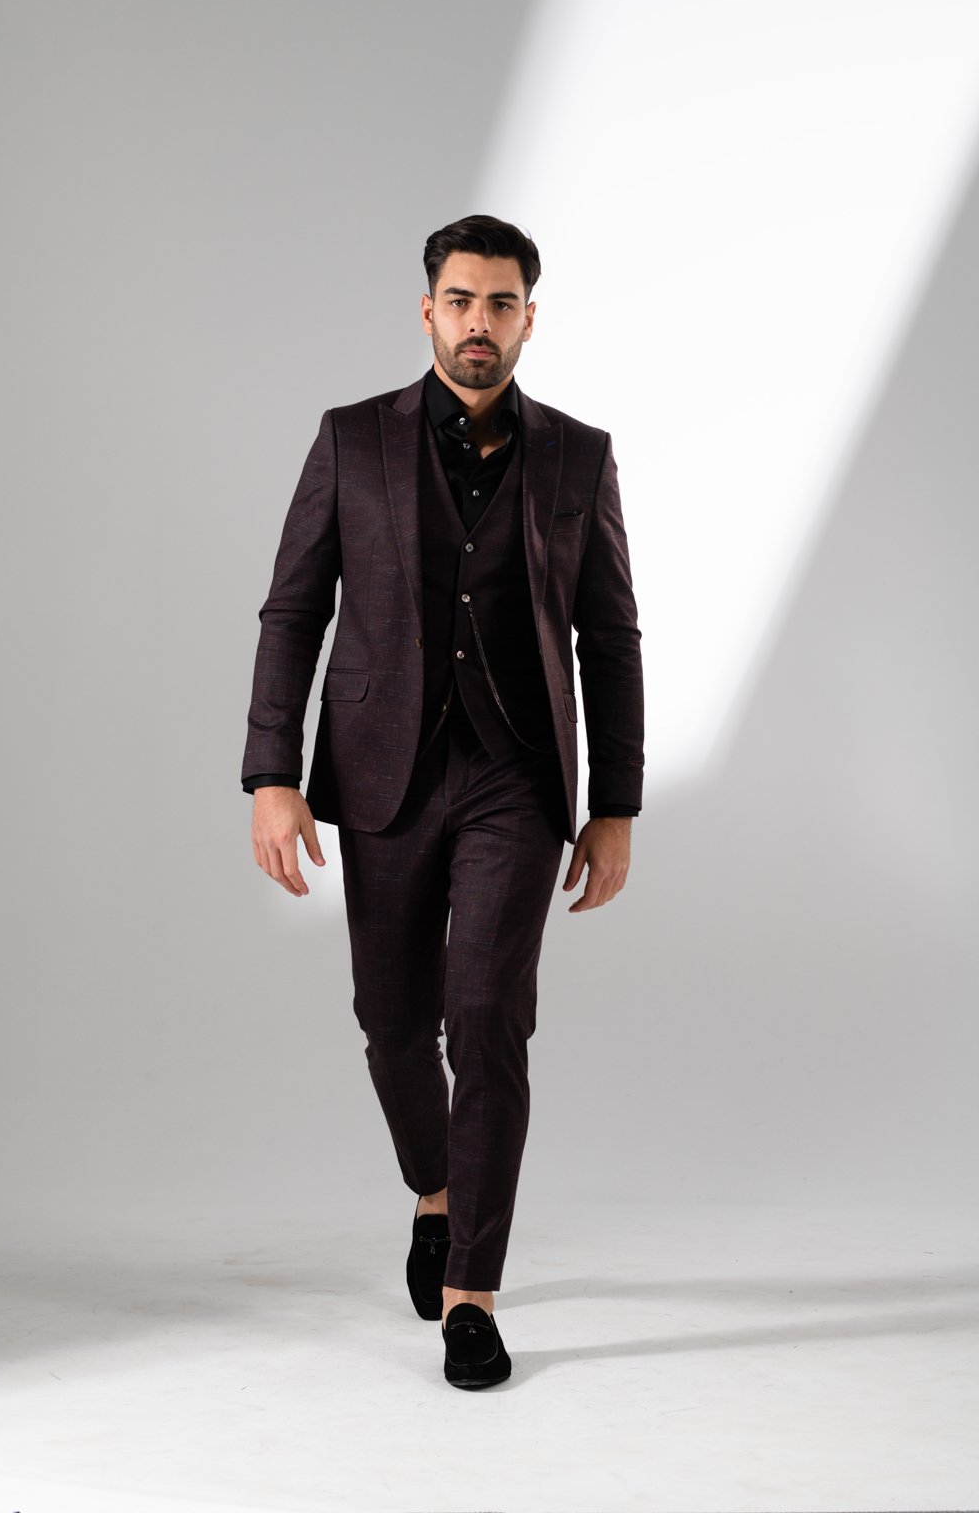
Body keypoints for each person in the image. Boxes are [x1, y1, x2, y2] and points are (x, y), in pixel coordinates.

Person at [240, 214, 644, 1389]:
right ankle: (435, 1190)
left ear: (529, 318)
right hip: (384, 771)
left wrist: (614, 804)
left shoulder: (577, 457)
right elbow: (294, 609)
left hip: (517, 778)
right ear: (427, 311)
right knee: (391, 1021)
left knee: (489, 1022)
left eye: (501, 303)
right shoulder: (351, 439)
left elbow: (610, 637)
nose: (479, 322)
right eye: (461, 300)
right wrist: (272, 774)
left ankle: (473, 1292)